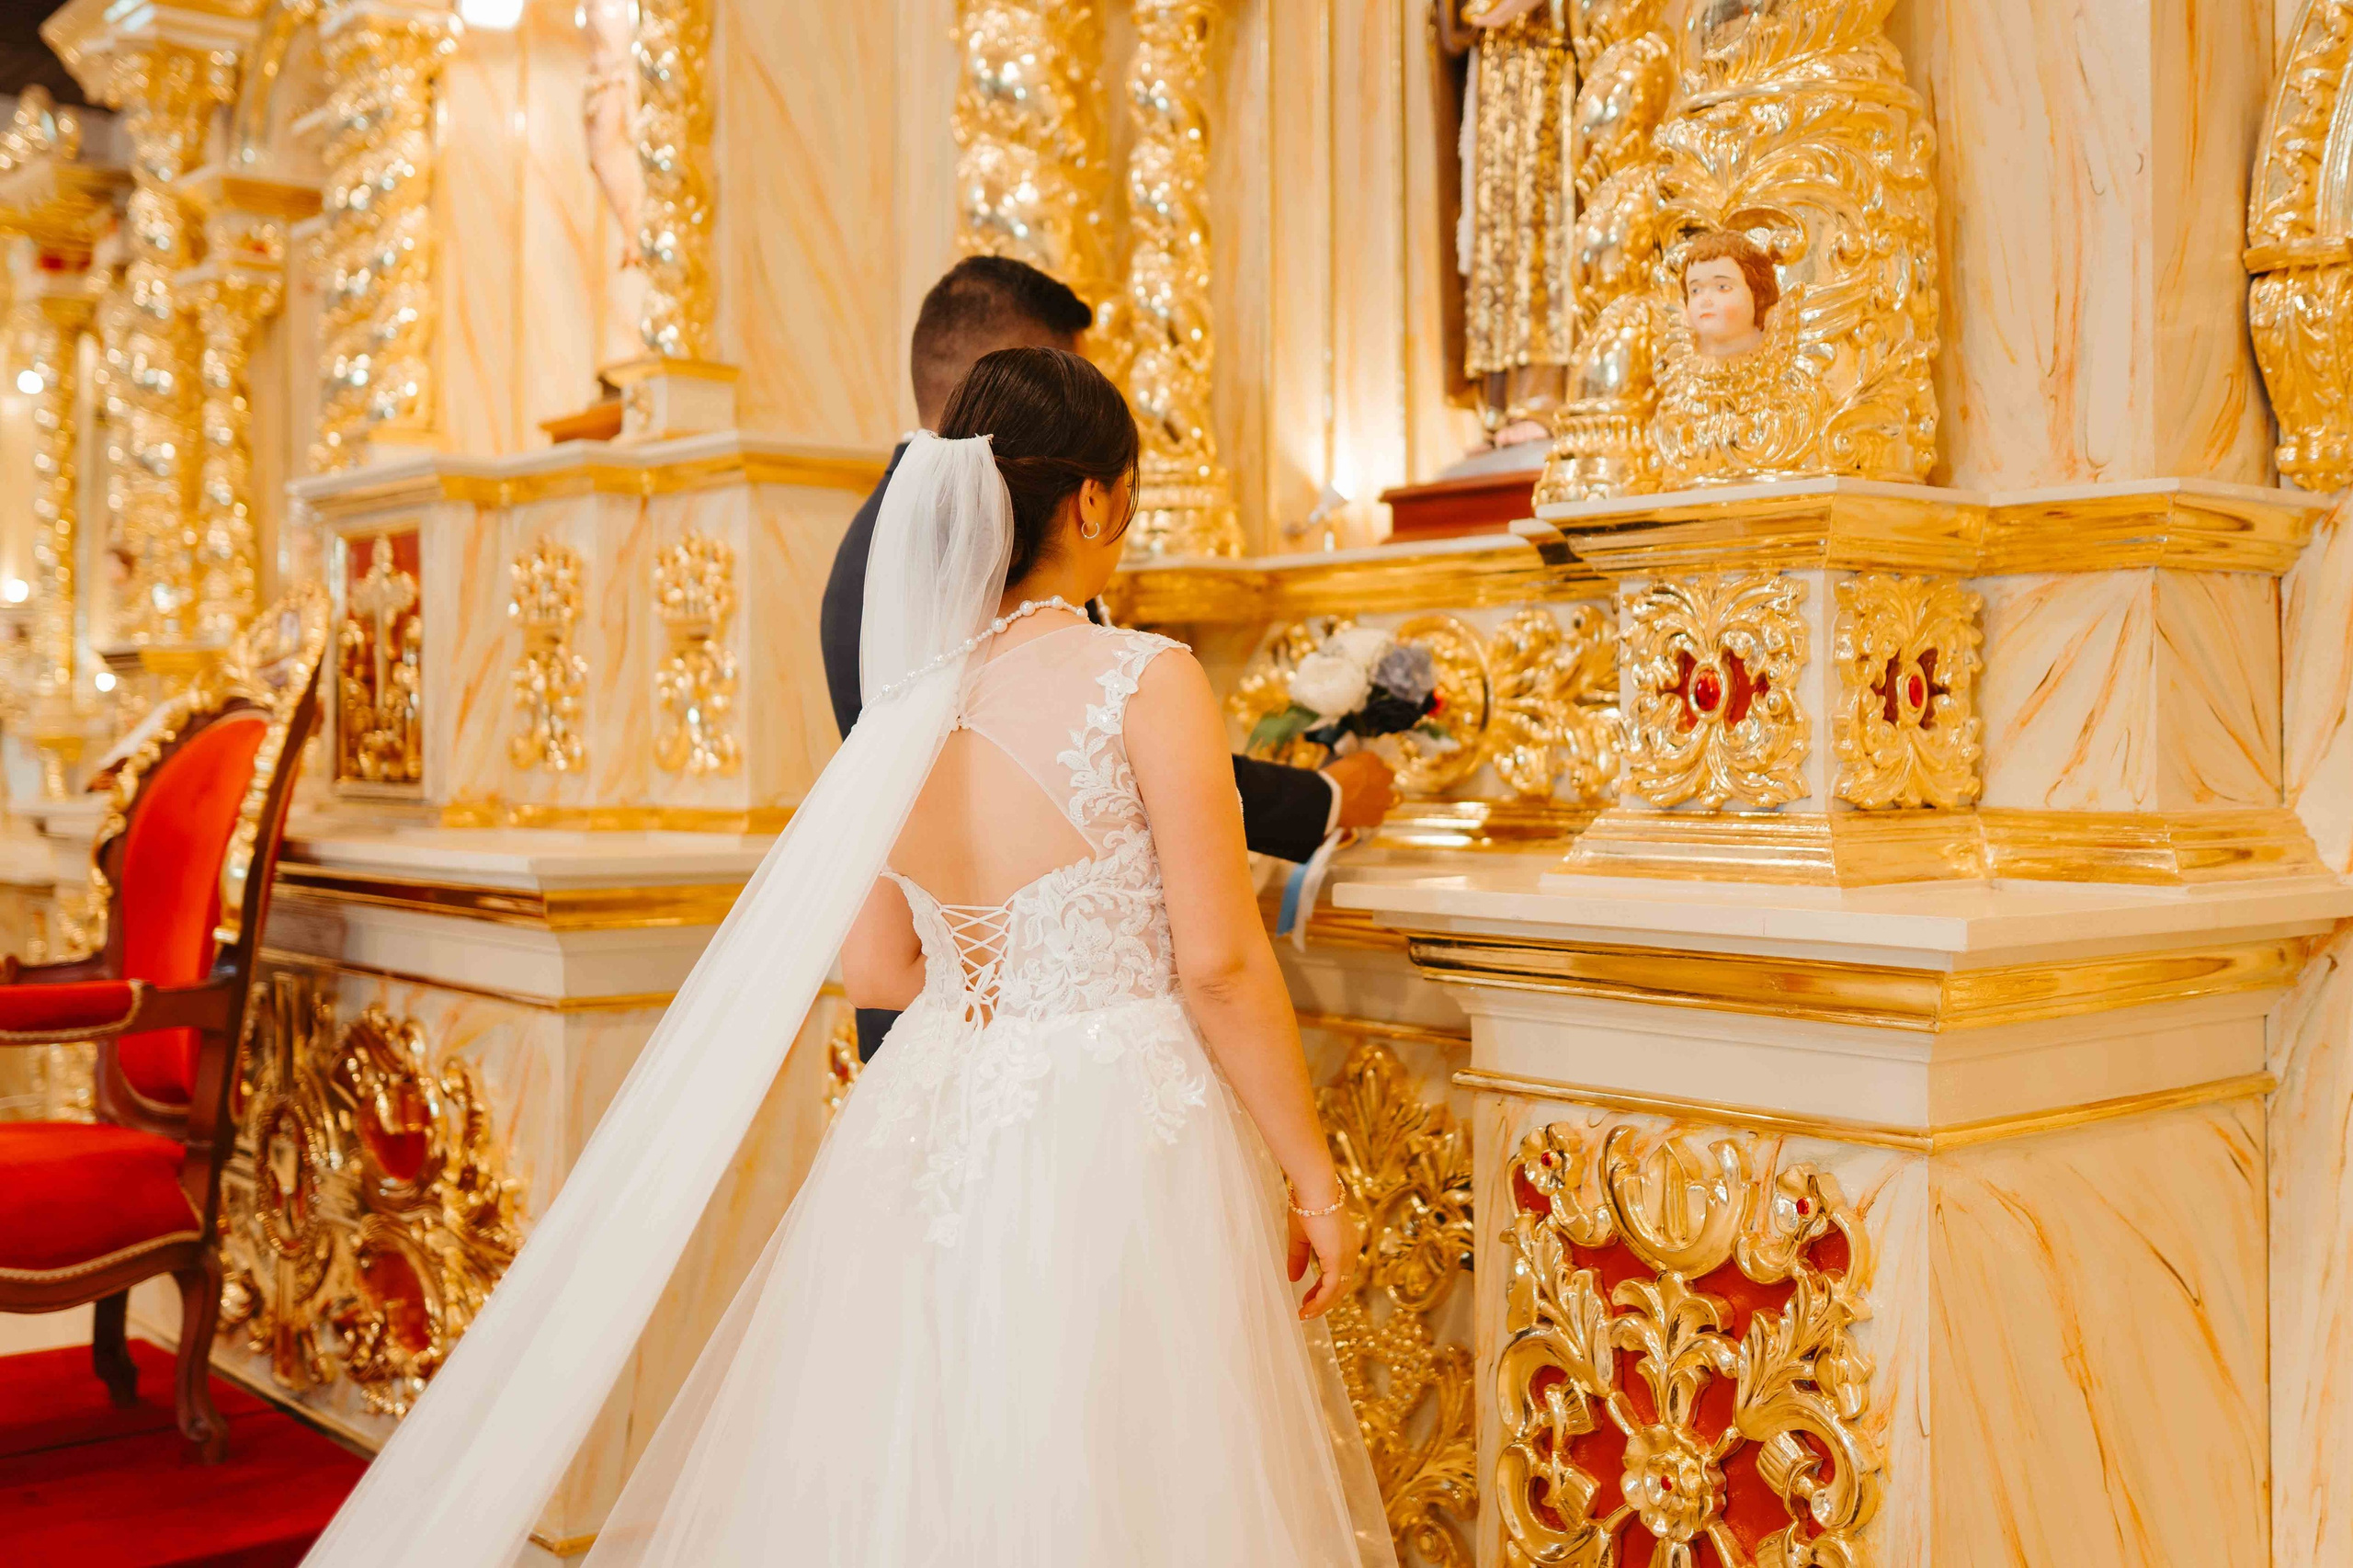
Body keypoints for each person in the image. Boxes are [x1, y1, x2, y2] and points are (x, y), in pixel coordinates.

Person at [299, 348, 1398, 1568]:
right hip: (1112, 1117)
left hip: (929, 1111)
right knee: (1122, 1467)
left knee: (926, 1466)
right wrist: (1318, 1179)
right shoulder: (1145, 677)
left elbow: (882, 969)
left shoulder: (905, 706)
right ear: (1092, 499)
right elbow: (1220, 966)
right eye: (1127, 498)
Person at [824, 254, 1393, 1060]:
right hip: (988, 1024)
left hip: (1006, 1020)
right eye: (1061, 375)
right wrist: (1321, 801)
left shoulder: (932, 549)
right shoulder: (905, 563)